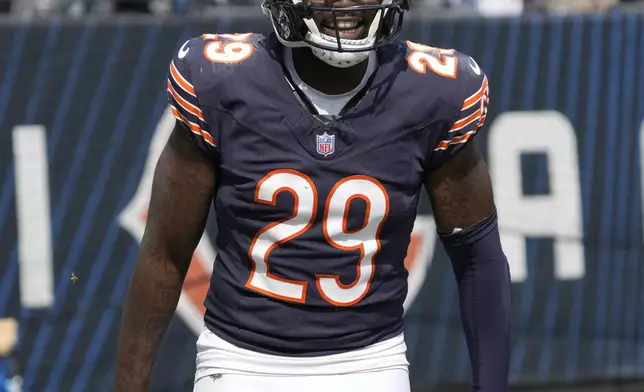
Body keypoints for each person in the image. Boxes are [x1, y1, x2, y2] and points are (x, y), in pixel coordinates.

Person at [114, 1, 511, 391]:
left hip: (370, 361)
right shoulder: (222, 80)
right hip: (239, 361)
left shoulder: (432, 90)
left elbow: (479, 259)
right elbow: (165, 253)